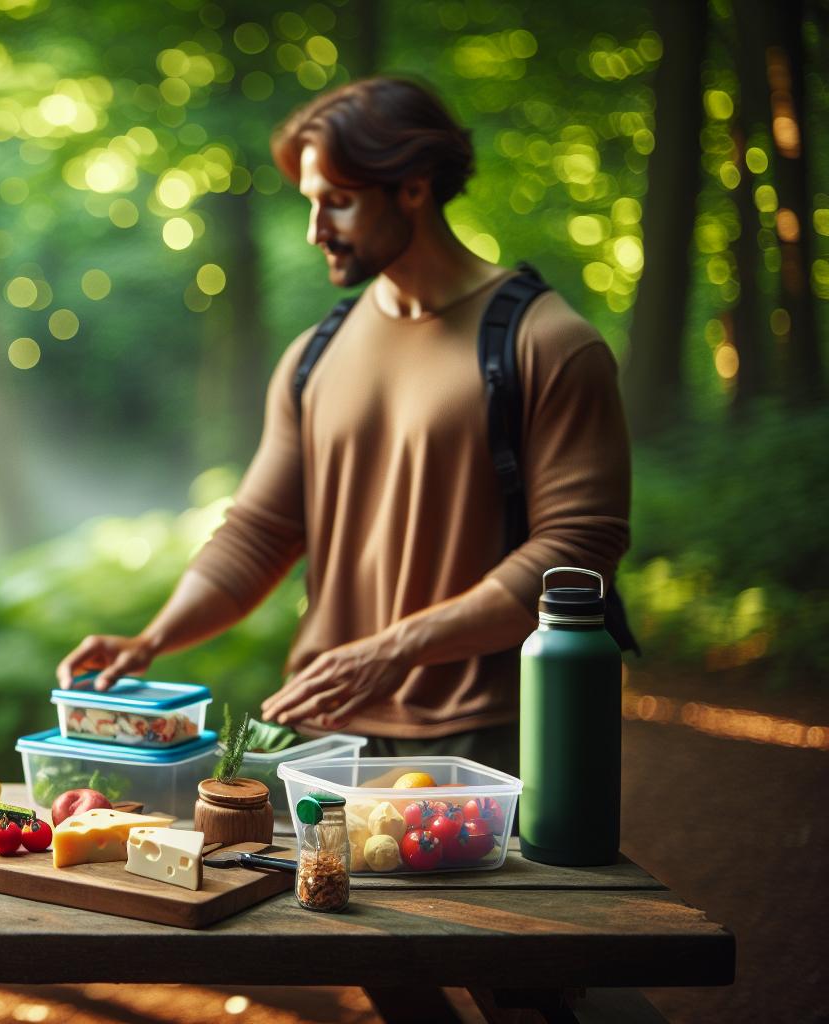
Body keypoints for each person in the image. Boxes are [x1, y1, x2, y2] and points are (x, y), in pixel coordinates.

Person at [57, 77, 631, 774]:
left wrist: (395, 648)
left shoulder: (548, 344)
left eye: (339, 203)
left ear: (413, 189)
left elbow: (575, 558)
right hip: (323, 736)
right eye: (310, 203)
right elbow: (258, 535)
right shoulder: (314, 355)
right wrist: (151, 640)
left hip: (480, 740)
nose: (315, 231)